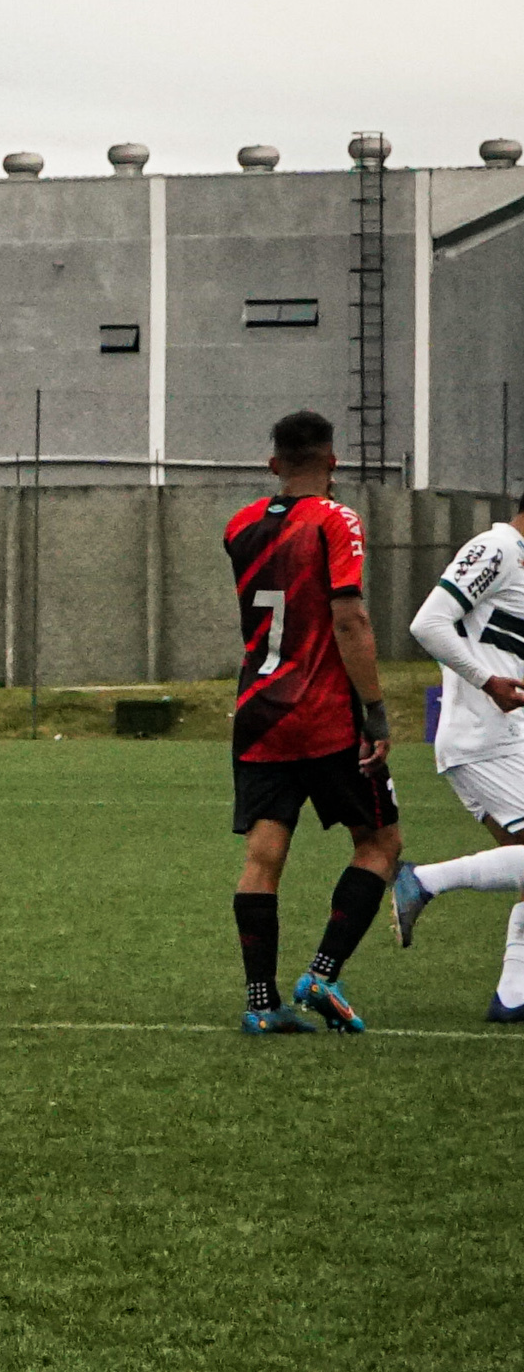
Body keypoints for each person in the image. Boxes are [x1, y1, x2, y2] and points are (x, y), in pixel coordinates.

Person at [224, 410, 401, 1034]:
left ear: (274, 464)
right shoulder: (336, 519)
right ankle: (322, 973)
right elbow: (348, 618)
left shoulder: (240, 525)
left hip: (259, 715)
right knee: (380, 843)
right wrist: (375, 712)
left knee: (264, 852)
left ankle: (260, 1005)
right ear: (333, 458)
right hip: (325, 716)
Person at [390, 494, 524, 1020]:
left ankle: (512, 997)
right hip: (483, 737)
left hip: (508, 734)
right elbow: (428, 623)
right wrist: (485, 681)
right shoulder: (497, 547)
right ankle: (423, 881)